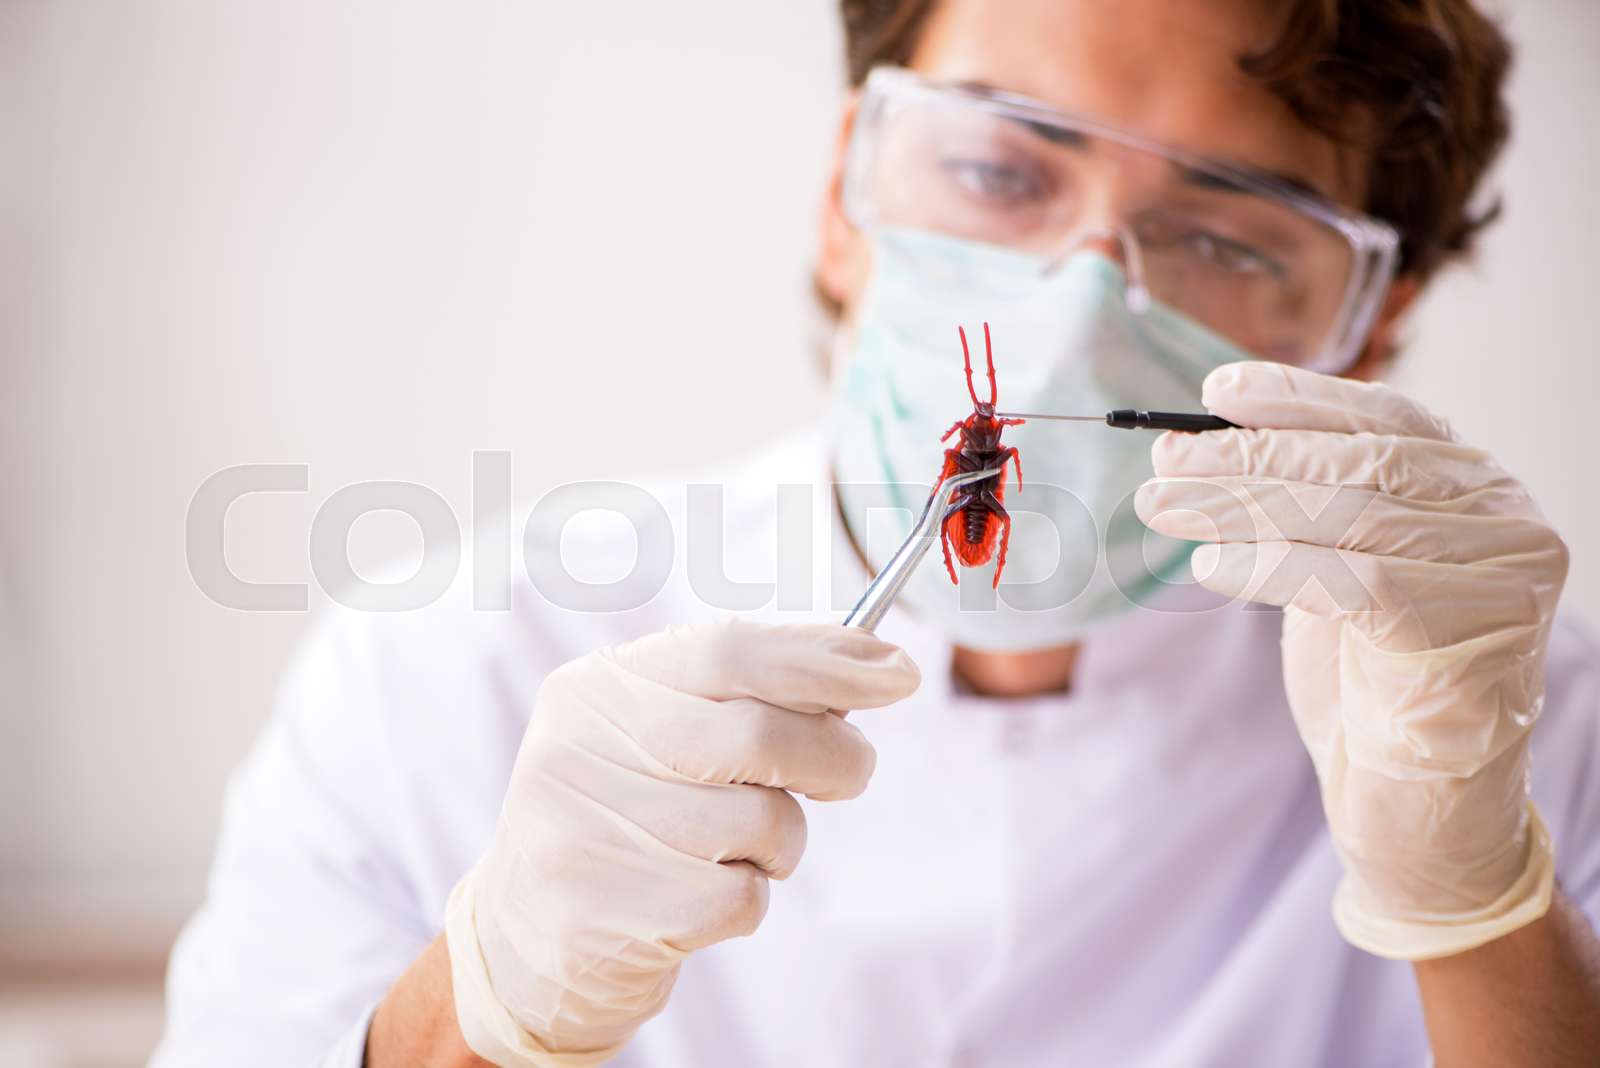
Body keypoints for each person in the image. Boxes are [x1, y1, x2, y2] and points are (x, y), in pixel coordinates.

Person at [152, 1, 1600, 1065]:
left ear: (1368, 326)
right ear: (849, 191)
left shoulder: (1518, 717)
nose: (1072, 316)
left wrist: (1474, 901)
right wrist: (483, 1005)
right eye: (998, 172)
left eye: (1226, 236)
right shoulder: (451, 667)